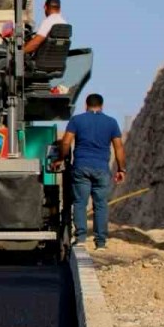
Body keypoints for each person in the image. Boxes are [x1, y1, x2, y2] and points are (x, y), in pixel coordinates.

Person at [54, 93, 126, 250]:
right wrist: (121, 169)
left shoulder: (77, 120)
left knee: (80, 202)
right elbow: (119, 147)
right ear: (102, 106)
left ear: (86, 106)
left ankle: (80, 238)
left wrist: (60, 158)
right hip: (101, 169)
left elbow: (66, 141)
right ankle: (101, 242)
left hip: (81, 167)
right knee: (101, 205)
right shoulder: (111, 122)